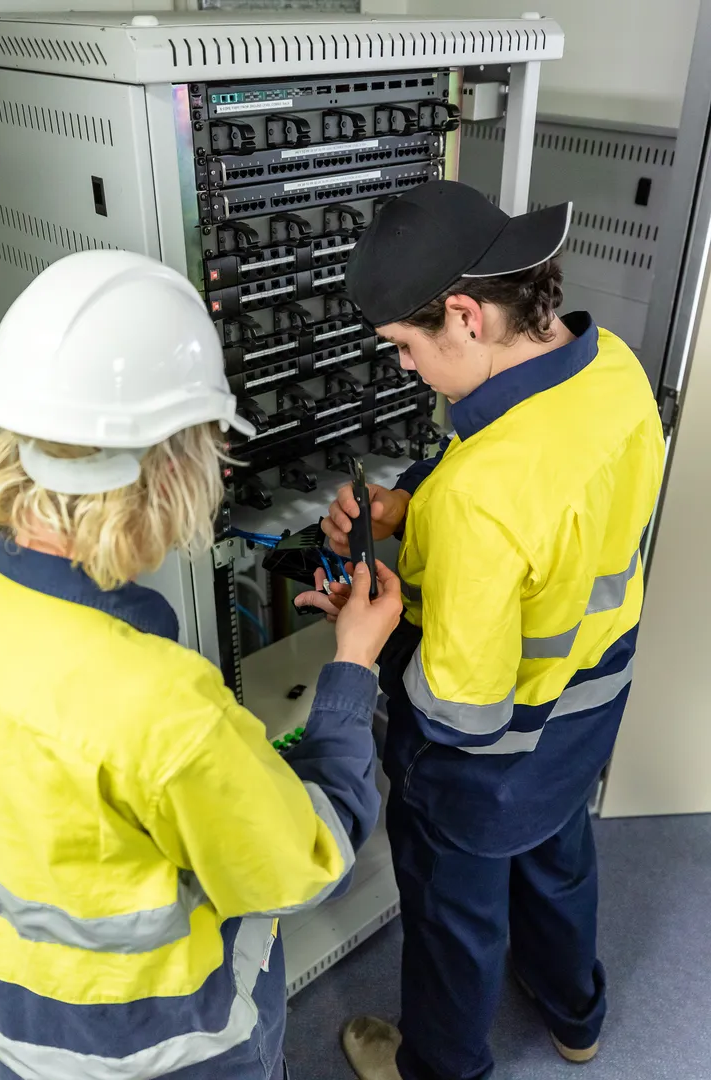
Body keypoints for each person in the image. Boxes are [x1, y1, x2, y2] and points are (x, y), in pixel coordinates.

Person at [0, 250, 403, 1080]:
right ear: (173, 467)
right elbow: (305, 860)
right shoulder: (158, 702)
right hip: (173, 1047)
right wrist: (352, 667)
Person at [316, 181, 666, 1080]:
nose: (402, 368)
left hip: (490, 754)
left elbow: (461, 711)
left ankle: (441, 1067)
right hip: (589, 701)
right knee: (558, 855)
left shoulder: (483, 494)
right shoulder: (615, 367)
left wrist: (375, 636)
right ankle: (576, 1016)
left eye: (403, 346)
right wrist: (411, 509)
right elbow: (554, 516)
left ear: (465, 315)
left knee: (454, 914)